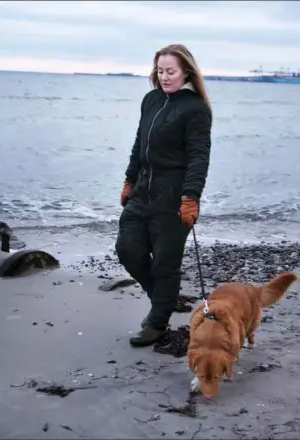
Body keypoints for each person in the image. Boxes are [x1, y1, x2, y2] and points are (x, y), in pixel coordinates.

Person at [115, 43, 213, 347]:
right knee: (127, 249)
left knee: (165, 263)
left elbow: (199, 156)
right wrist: (129, 181)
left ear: (186, 71)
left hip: (174, 197)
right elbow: (138, 144)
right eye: (160, 71)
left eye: (171, 71)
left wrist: (190, 198)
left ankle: (157, 322)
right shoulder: (151, 99)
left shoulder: (196, 108)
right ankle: (163, 301)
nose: (165, 76)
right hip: (143, 190)